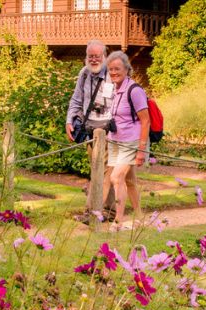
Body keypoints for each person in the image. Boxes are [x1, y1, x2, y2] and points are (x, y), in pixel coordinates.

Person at [65, 40, 116, 223]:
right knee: (100, 171)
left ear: (104, 56)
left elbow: (120, 103)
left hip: (108, 132)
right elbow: (76, 100)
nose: (94, 60)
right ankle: (109, 211)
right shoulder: (84, 74)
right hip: (89, 130)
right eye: (90, 56)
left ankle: (90, 213)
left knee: (100, 171)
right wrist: (69, 120)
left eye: (97, 56)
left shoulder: (113, 74)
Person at [103, 51, 150, 230]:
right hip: (115, 140)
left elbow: (145, 121)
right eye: (111, 69)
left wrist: (141, 150)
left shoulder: (135, 90)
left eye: (117, 69)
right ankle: (139, 217)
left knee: (116, 177)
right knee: (129, 181)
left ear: (127, 69)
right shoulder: (114, 89)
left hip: (131, 141)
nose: (114, 72)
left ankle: (118, 222)